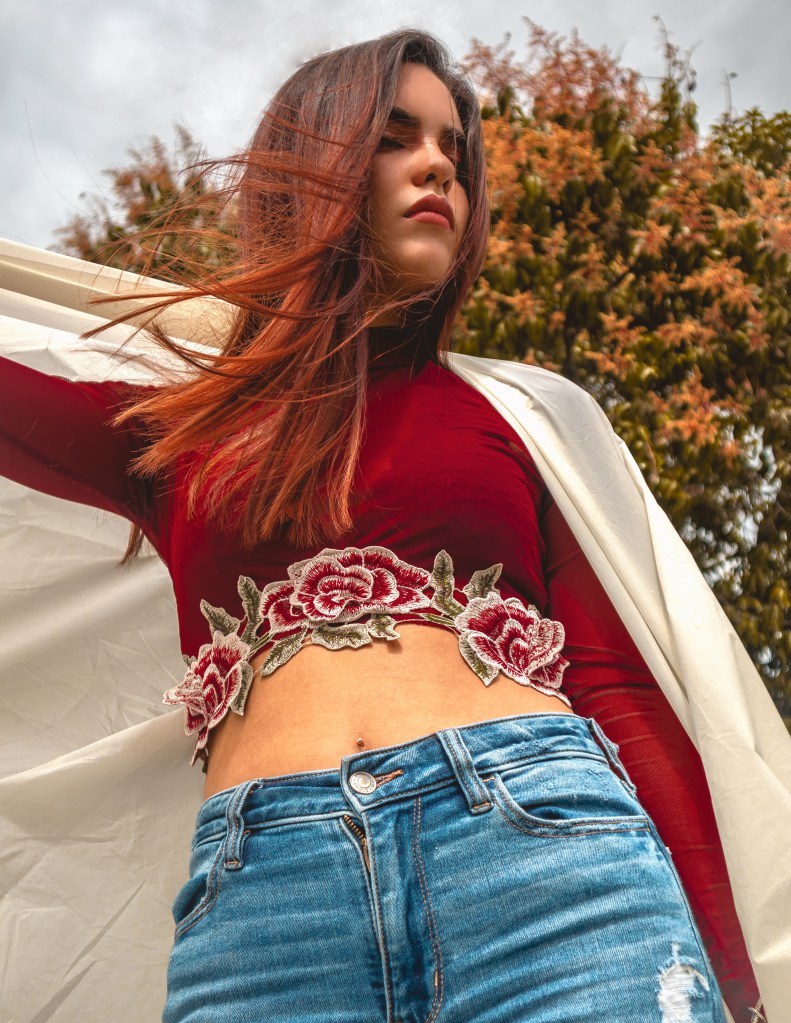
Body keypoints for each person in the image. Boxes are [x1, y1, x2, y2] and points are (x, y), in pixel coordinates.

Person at [0, 27, 787, 1023]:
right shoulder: (175, 433)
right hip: (265, 910)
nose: (438, 165)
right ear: (315, 166)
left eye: (454, 149)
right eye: (394, 136)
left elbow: (615, 687)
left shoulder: (519, 417)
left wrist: (730, 974)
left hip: (550, 862)